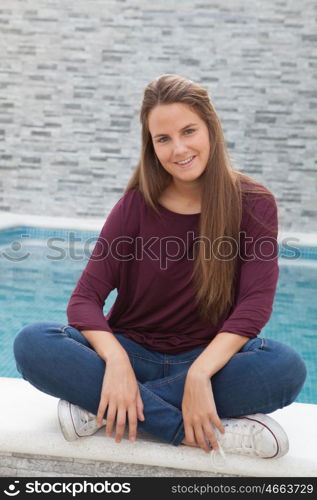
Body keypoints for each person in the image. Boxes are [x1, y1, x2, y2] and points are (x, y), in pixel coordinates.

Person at [13, 74, 307, 465]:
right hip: (131, 351)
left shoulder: (254, 204)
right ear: (151, 146)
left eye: (189, 131)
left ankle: (102, 407)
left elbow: (254, 306)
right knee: (33, 343)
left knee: (285, 369)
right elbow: (84, 300)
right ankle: (177, 427)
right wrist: (116, 363)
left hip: (207, 359)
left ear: (211, 129)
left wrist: (201, 374)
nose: (179, 148)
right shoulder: (135, 207)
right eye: (163, 139)